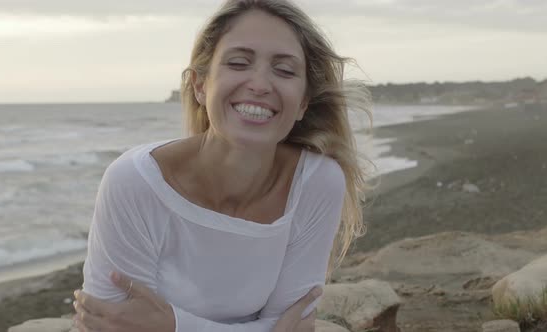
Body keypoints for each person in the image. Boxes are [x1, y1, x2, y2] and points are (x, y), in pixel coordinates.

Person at [73, 0, 371, 331]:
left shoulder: (317, 182)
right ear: (200, 85)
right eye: (239, 63)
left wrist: (172, 325)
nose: (259, 84)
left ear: (302, 102)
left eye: (285, 70)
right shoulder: (134, 182)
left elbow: (294, 325)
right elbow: (109, 325)